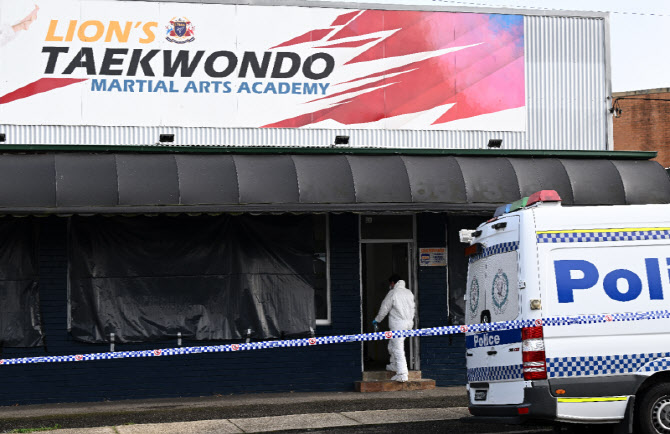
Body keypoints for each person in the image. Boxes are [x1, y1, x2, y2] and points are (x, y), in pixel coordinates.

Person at [372, 274, 415, 382]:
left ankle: (402, 374)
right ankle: (394, 365)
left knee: (397, 348)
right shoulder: (408, 292)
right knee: (392, 345)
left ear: (392, 283)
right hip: (409, 323)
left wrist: (377, 320)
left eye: (390, 284)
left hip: (398, 324)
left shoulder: (393, 293)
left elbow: (384, 308)